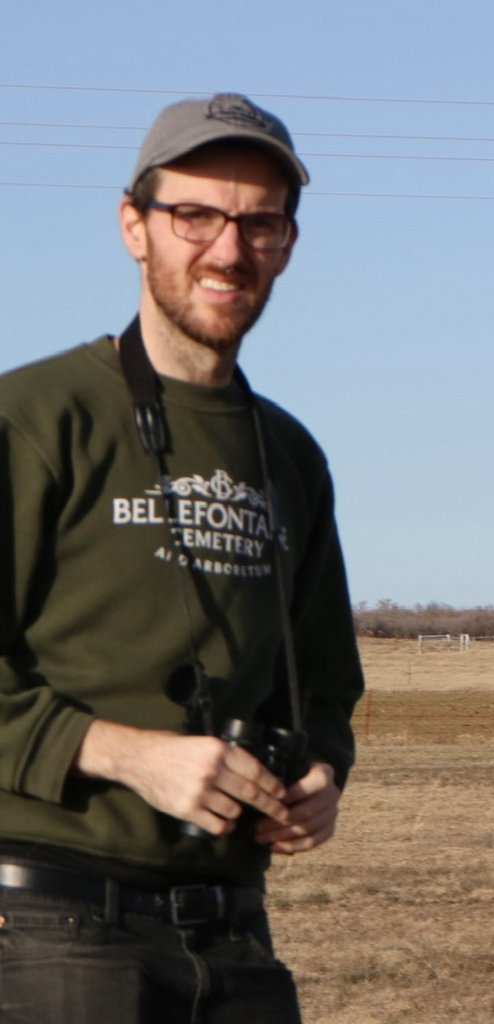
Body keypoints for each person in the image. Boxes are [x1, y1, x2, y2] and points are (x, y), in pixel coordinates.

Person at [0, 93, 364, 1023]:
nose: (228, 250)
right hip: (48, 927)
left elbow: (327, 684)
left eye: (259, 223)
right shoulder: (34, 418)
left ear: (287, 244)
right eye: (195, 215)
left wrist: (321, 775)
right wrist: (133, 758)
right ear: (134, 226)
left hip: (236, 935)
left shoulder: (291, 455)